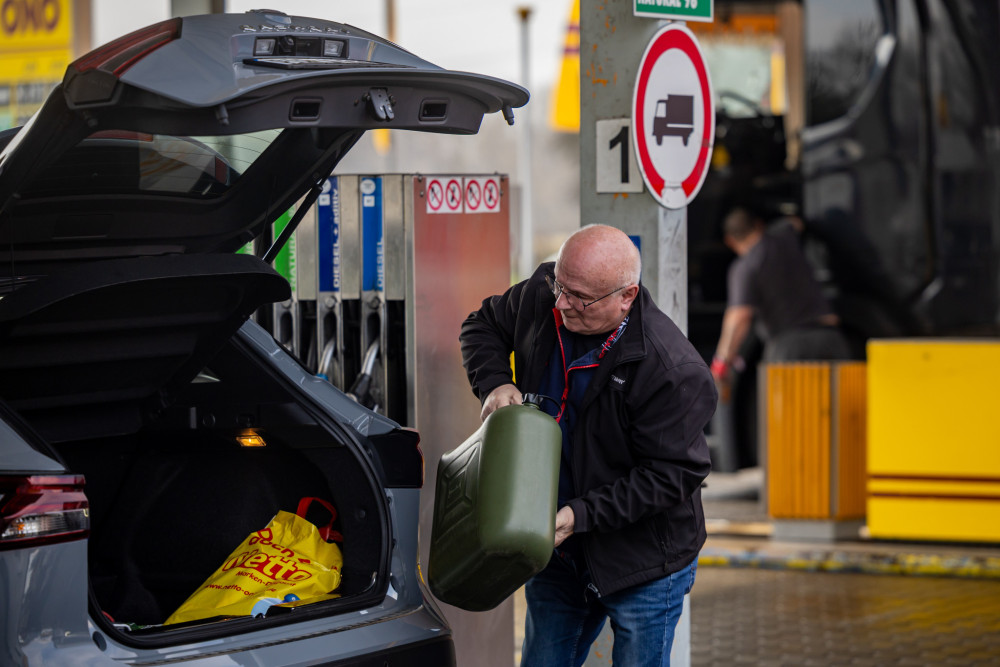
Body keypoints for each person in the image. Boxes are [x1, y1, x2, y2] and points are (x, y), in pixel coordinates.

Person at [460, 224, 716, 667]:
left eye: (578, 297)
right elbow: (481, 325)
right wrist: (495, 383)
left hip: (643, 560)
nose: (561, 303)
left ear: (627, 296)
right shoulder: (545, 294)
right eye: (559, 285)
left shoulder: (672, 370)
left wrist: (580, 515)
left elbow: (673, 474)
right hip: (559, 549)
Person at [711, 206, 850, 386]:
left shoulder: (744, 268)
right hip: (831, 338)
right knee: (840, 410)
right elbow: (796, 223)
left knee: (788, 412)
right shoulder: (784, 235)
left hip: (790, 347)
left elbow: (739, 317)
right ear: (759, 225)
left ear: (729, 241)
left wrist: (721, 362)